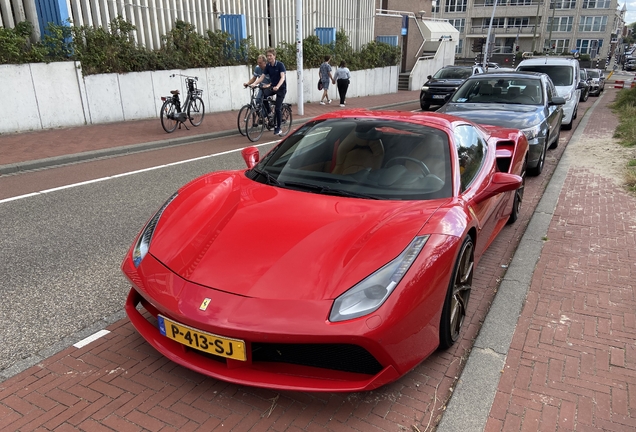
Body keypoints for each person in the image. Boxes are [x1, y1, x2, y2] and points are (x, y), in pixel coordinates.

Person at [252, 48, 287, 136]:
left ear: (274, 56)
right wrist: (254, 83)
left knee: (278, 108)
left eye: (270, 56)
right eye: (267, 56)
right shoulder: (268, 66)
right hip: (272, 87)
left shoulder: (280, 65)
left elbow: (282, 77)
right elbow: (262, 77)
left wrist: (278, 86)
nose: (269, 57)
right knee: (263, 97)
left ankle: (278, 128)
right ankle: (269, 112)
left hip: (281, 89)